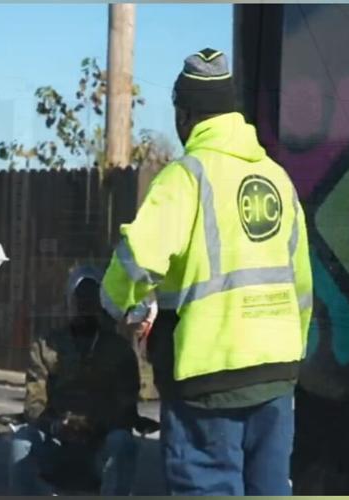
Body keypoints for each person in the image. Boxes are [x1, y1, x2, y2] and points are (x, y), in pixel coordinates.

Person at [100, 48, 314, 496]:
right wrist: (288, 352)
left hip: (208, 380)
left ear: (186, 115)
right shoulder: (278, 178)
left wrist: (119, 305)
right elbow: (301, 285)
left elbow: (138, 257)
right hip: (276, 373)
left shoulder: (186, 178)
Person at [9, 265, 153, 495]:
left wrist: (95, 424)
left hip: (100, 443)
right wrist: (56, 424)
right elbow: (34, 401)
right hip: (57, 440)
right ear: (70, 302)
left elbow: (126, 405)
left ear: (101, 303)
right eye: (80, 298)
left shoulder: (119, 350)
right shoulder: (46, 345)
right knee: (22, 440)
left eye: (92, 298)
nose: (85, 306)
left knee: (122, 442)